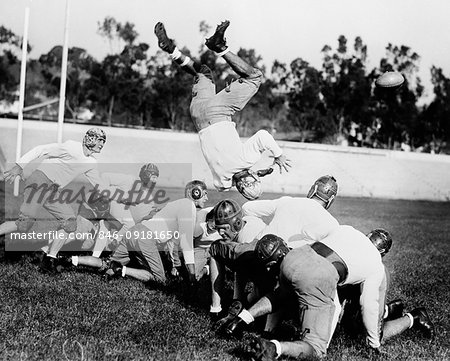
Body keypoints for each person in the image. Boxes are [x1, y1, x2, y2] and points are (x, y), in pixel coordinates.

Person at [154, 20, 291, 200]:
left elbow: (264, 136)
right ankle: (171, 49)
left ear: (250, 178)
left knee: (254, 78)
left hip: (217, 113)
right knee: (202, 72)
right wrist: (254, 173)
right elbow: (233, 181)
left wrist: (278, 155)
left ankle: (219, 47)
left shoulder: (246, 160)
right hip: (198, 115)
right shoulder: (221, 181)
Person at [222, 225, 389, 360]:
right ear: (383, 252)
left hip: (297, 255)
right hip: (318, 275)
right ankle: (274, 348)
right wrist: (374, 344)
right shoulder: (377, 265)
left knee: (281, 293)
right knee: (316, 349)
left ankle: (240, 320)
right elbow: (369, 306)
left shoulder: (348, 229)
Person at [209, 176, 340, 322]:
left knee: (215, 250)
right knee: (280, 285)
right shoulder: (332, 224)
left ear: (313, 190)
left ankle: (216, 309)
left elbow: (247, 208)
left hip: (257, 252)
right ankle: (267, 328)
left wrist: (260, 225)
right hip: (285, 269)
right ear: (331, 200)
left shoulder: (289, 201)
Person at [0, 128, 124, 273]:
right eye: (100, 140)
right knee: (24, 224)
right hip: (39, 182)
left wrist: (123, 197)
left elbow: (100, 186)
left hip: (53, 190)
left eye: (103, 141)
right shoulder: (71, 147)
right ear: (90, 138)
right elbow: (41, 149)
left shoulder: (91, 162)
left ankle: (48, 261)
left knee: (70, 222)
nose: (102, 143)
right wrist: (19, 166)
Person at [338, 229, 435, 343]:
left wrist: (374, 339)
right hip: (357, 301)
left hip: (371, 304)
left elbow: (375, 314)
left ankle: (414, 317)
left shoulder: (379, 274)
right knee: (346, 325)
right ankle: (391, 310)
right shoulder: (354, 257)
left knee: (363, 336)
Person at [59, 164, 162, 271]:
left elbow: (144, 209)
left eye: (156, 177)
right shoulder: (129, 180)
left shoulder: (146, 193)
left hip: (109, 212)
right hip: (106, 205)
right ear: (146, 175)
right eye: (153, 177)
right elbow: (104, 177)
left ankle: (94, 258)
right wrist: (105, 195)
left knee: (98, 232)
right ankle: (49, 251)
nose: (155, 180)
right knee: (82, 235)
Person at [102, 180, 207, 285]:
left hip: (135, 230)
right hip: (145, 238)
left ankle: (104, 269)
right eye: (205, 194)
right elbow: (186, 242)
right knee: (160, 280)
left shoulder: (178, 203)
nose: (207, 198)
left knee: (107, 263)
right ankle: (120, 270)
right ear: (195, 193)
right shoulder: (188, 206)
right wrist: (192, 275)